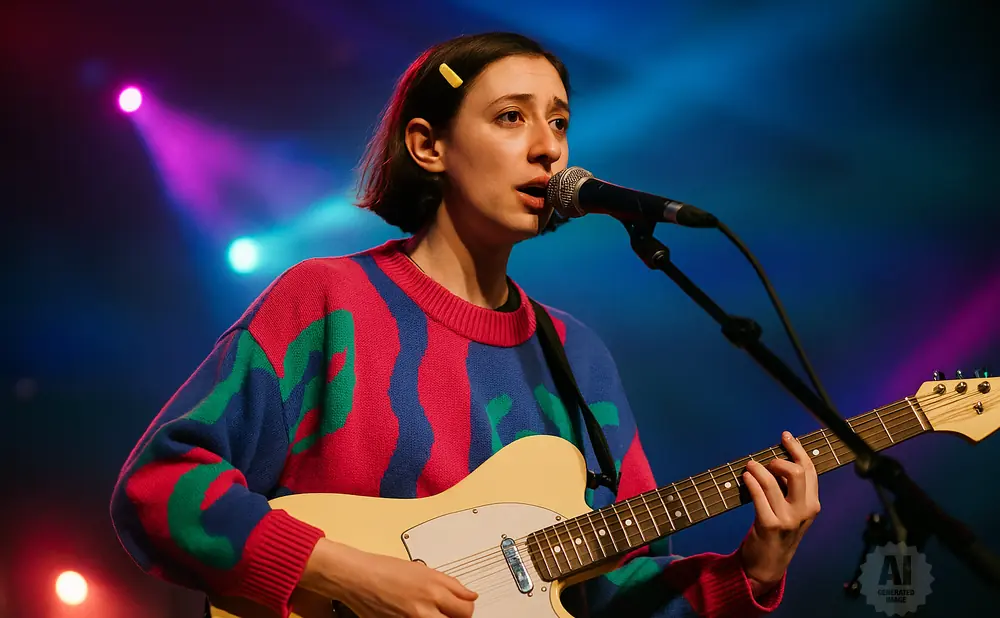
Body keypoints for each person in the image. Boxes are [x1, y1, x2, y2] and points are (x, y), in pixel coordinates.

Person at [110, 31, 820, 618]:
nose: (548, 148)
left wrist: (748, 573)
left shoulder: (578, 356)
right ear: (428, 146)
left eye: (560, 121)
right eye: (512, 116)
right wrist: (347, 573)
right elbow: (160, 486)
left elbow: (616, 591)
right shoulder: (326, 301)